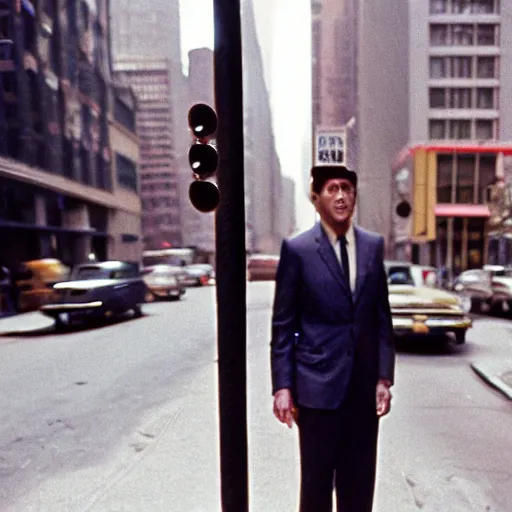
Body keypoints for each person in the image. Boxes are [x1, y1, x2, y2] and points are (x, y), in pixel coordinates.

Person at [270, 165, 395, 512]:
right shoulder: (297, 250)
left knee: (359, 486)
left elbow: (381, 317)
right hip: (316, 390)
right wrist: (283, 386)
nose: (341, 196)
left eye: (347, 189)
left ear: (355, 196)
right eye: (331, 189)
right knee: (316, 487)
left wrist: (383, 377)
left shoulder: (372, 246)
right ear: (316, 198)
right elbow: (283, 324)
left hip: (362, 391)